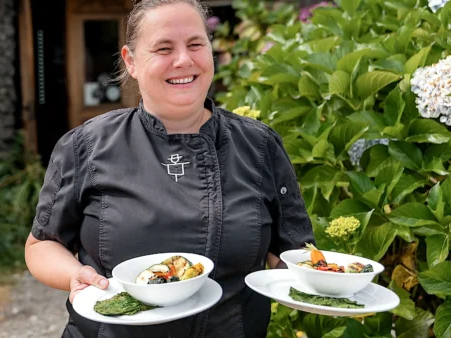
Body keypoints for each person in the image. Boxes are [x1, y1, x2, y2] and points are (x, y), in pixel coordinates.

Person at [24, 0, 315, 337]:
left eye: (196, 44)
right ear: (131, 61)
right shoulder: (87, 146)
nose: (183, 60)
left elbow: (292, 254)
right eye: (164, 48)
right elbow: (42, 245)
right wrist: (75, 275)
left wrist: (320, 280)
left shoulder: (259, 145)